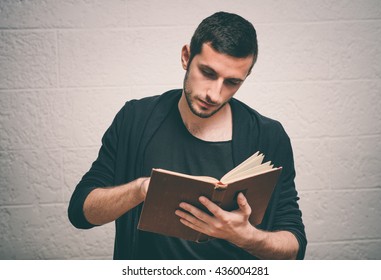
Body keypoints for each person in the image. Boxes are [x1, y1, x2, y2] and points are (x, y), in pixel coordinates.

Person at [68, 11, 307, 260]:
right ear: (186, 57)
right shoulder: (135, 118)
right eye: (208, 73)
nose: (214, 94)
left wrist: (245, 237)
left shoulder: (268, 136)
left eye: (232, 82)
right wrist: (141, 190)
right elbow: (80, 212)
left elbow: (294, 247)